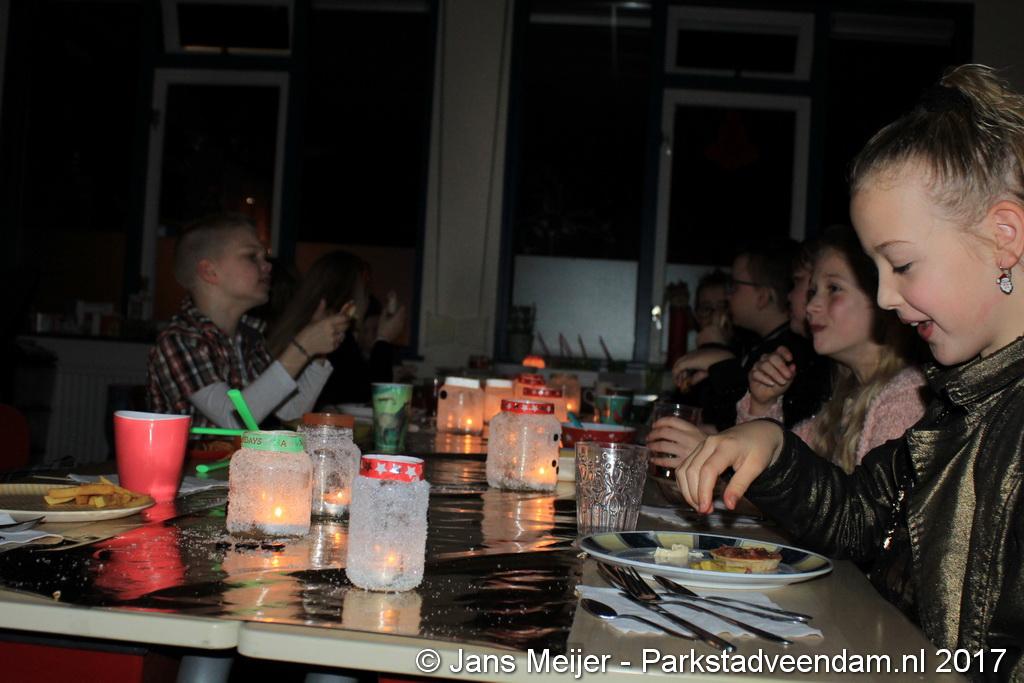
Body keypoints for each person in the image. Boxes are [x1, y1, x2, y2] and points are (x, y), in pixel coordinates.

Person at [671, 65, 1024, 678]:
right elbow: (860, 516)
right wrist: (773, 448)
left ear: (1004, 237)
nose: (885, 296)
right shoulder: (958, 404)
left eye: (901, 265)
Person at [653, 225, 928, 473]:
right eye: (812, 291)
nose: (811, 306)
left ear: (881, 296)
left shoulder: (905, 398)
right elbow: (782, 475)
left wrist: (712, 450)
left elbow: (845, 509)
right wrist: (762, 403)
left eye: (834, 288)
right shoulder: (846, 400)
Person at [147, 214, 348, 428]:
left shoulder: (249, 337)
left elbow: (291, 413)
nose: (268, 266)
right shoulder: (179, 340)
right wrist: (303, 347)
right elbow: (234, 419)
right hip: (189, 453)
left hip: (237, 452)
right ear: (209, 271)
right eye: (252, 257)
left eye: (264, 257)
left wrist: (317, 353)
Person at [671, 239, 830, 430]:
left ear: (763, 296)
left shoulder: (792, 352)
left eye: (734, 286)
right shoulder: (751, 341)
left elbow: (733, 419)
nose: (728, 295)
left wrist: (719, 358)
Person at [266, 250, 407, 405]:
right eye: (365, 291)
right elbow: (369, 396)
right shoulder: (332, 334)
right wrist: (384, 339)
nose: (367, 300)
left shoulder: (298, 323)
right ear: (350, 297)